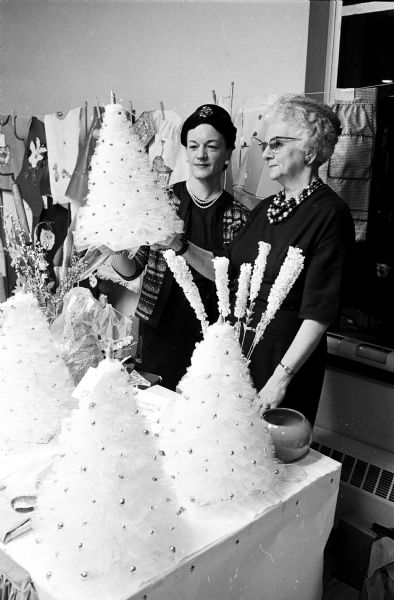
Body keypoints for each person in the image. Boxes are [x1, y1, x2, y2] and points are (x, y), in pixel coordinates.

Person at [167, 94, 355, 425]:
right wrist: (178, 243)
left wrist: (281, 378)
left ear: (310, 150)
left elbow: (319, 312)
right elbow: (222, 271)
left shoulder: (330, 214)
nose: (266, 153)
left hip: (284, 359)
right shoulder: (268, 208)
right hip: (242, 350)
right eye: (265, 144)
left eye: (277, 144)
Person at [111, 104, 249, 390]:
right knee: (157, 405)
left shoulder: (239, 215)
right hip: (159, 327)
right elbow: (131, 268)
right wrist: (113, 247)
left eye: (211, 146)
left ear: (227, 153)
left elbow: (226, 275)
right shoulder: (162, 200)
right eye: (194, 145)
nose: (201, 155)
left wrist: (179, 243)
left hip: (210, 333)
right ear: (185, 150)